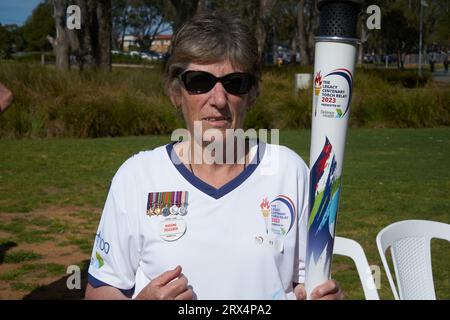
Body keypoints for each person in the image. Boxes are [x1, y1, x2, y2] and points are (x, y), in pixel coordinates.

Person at [85, 12, 343, 300]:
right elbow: (100, 289)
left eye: (235, 83)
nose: (219, 99)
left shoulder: (289, 171)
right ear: (175, 92)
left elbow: (309, 282)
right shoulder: (136, 176)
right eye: (199, 81)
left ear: (252, 94)